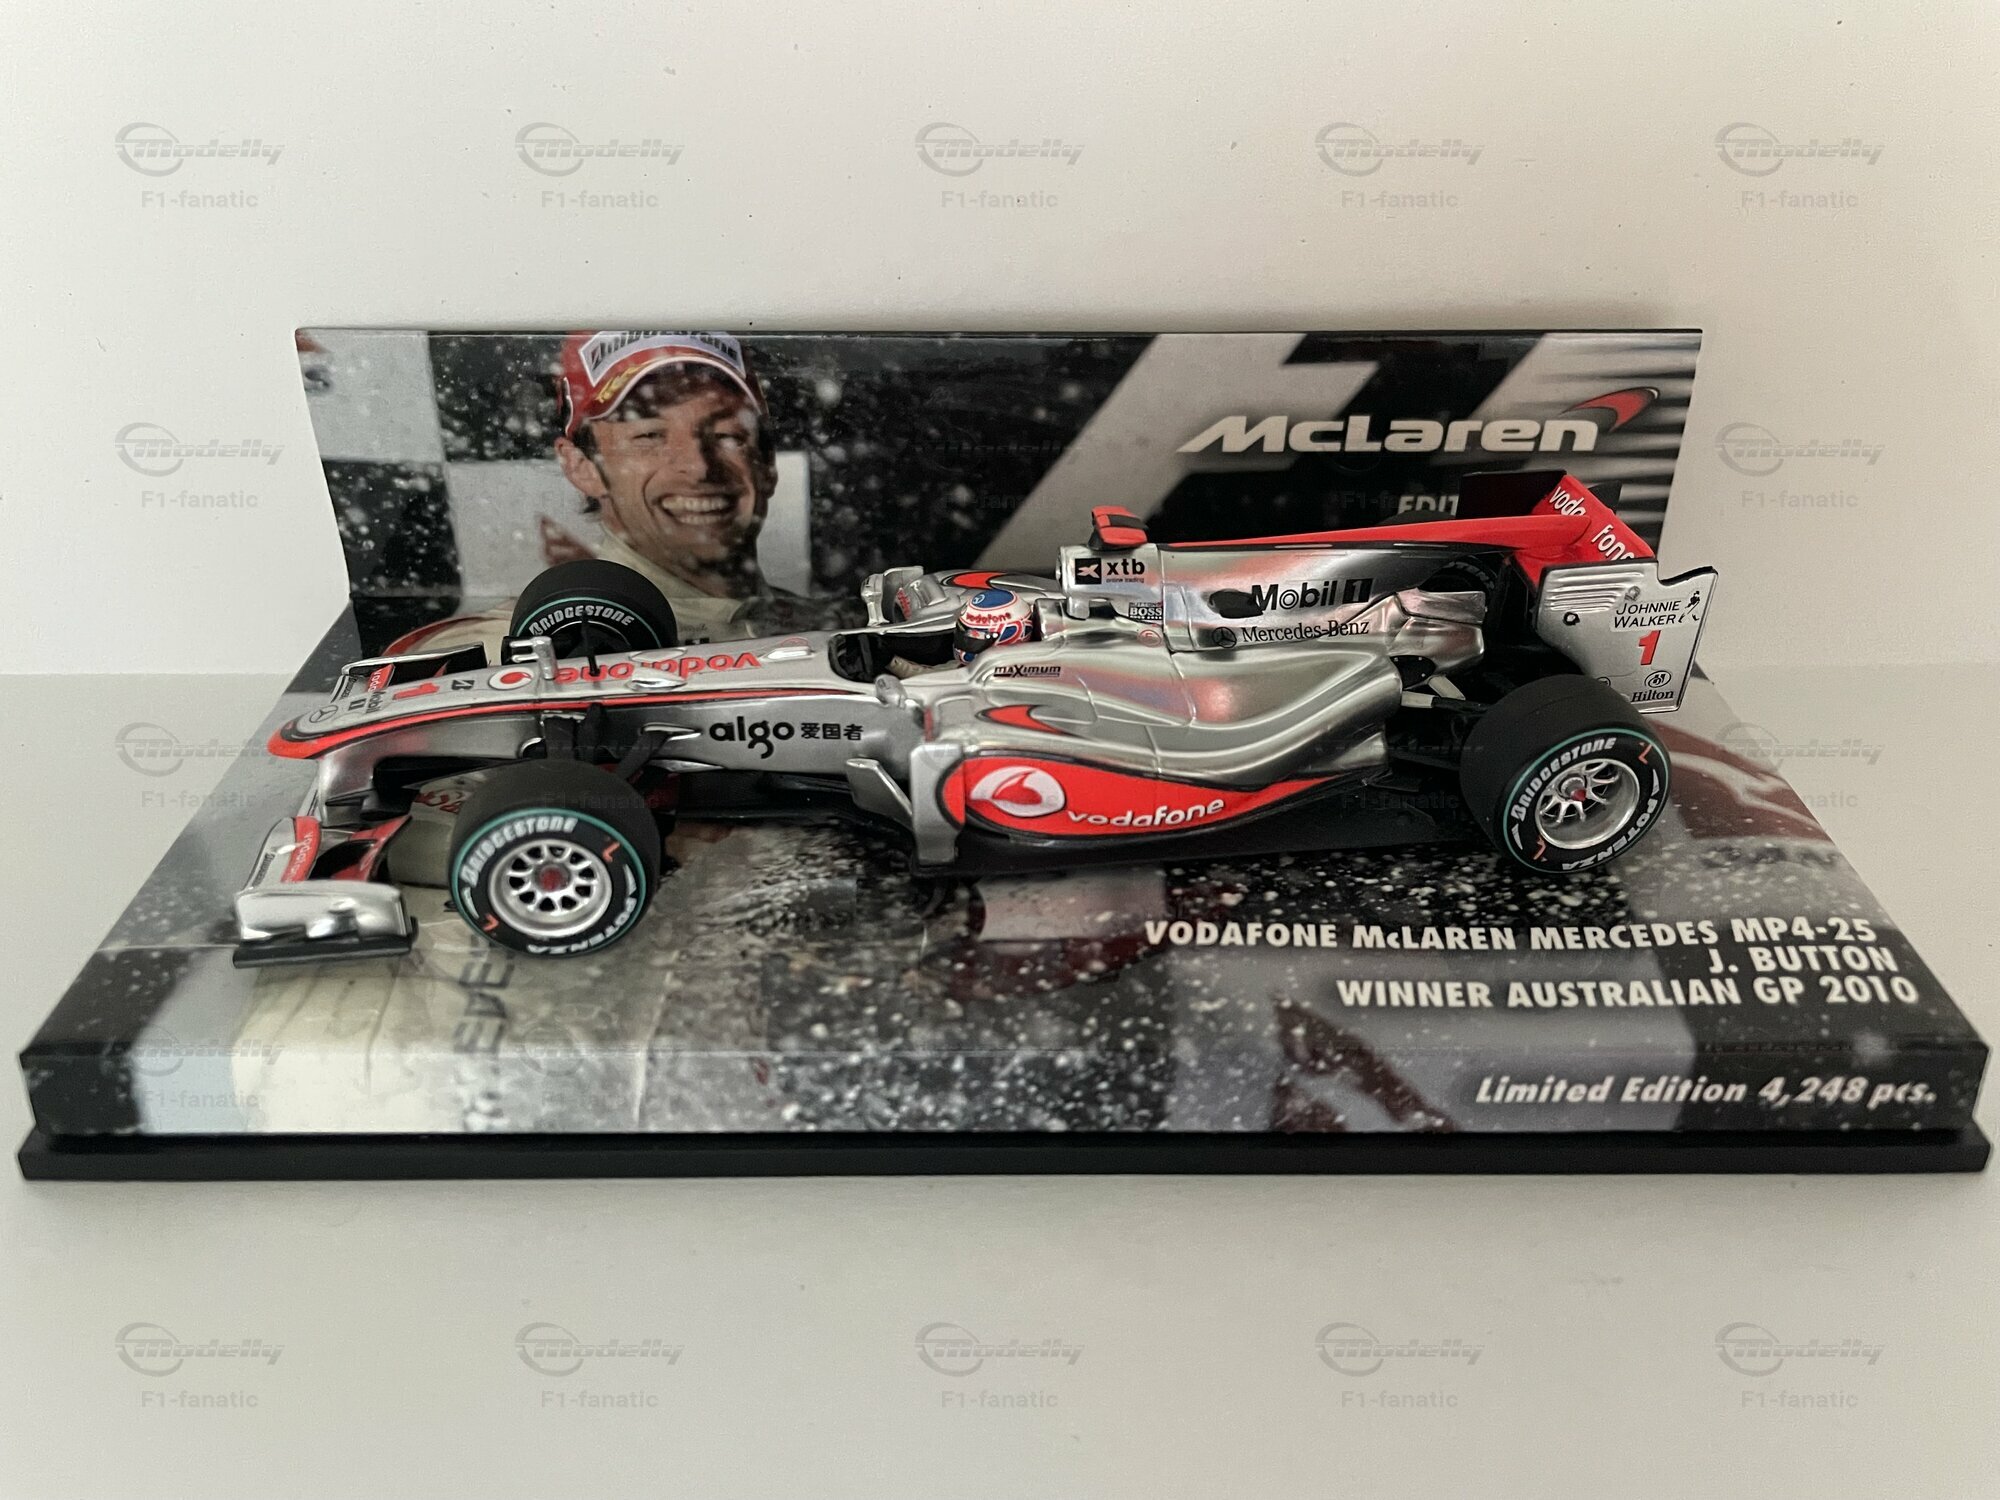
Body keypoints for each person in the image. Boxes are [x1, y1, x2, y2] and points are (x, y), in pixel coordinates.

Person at [386, 330, 822, 654]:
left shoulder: (831, 630)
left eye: (727, 435)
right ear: (582, 467)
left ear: (766, 463)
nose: (698, 467)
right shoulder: (523, 642)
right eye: (649, 436)